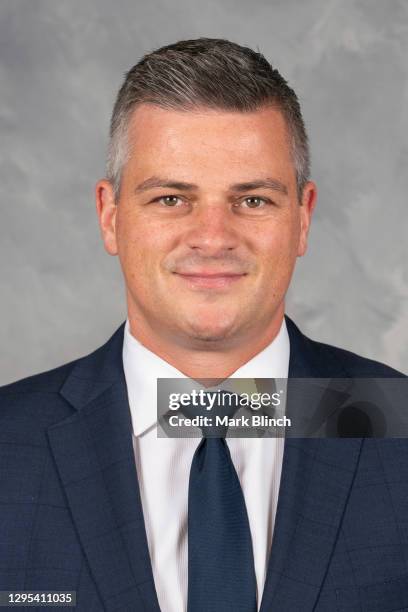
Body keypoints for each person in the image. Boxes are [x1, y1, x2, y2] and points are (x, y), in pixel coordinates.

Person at [0, 38, 406, 612]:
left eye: (254, 201)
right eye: (170, 198)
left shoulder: (399, 426)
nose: (213, 237)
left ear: (303, 218)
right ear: (110, 217)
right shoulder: (6, 445)